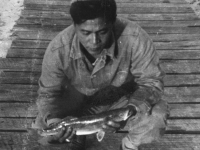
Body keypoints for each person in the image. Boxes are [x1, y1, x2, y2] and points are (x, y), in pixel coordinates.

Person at [32, 0, 169, 149]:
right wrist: (54, 122)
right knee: (45, 137)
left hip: (119, 102)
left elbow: (152, 82)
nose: (94, 41)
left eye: (102, 32)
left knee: (157, 114)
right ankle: (75, 138)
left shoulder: (135, 37)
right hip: (74, 104)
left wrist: (130, 109)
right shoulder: (57, 49)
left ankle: (129, 145)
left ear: (112, 23)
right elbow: (47, 94)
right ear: (75, 26)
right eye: (85, 33)